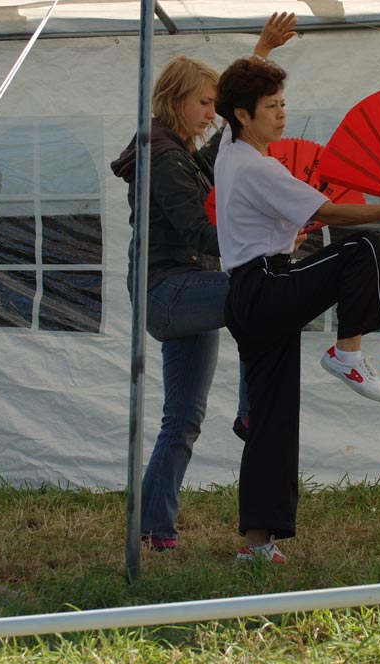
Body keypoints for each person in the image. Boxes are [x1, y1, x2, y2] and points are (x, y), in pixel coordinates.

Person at [214, 57, 380, 563]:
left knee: (271, 421)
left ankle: (258, 544)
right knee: (360, 249)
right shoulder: (256, 164)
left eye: (284, 104)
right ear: (243, 115)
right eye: (271, 107)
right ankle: (346, 353)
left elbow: (288, 218)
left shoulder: (228, 151)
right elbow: (328, 211)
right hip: (265, 285)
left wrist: (263, 48)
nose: (282, 114)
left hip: (247, 294)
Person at [111, 13, 298, 551]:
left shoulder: (185, 153)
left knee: (183, 420)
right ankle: (250, 410)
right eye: (204, 104)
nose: (213, 114)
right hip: (169, 296)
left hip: (190, 292)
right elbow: (199, 228)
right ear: (175, 101)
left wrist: (260, 51)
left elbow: (228, 147)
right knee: (260, 290)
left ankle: (153, 527)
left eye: (216, 104)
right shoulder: (162, 158)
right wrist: (270, 237)